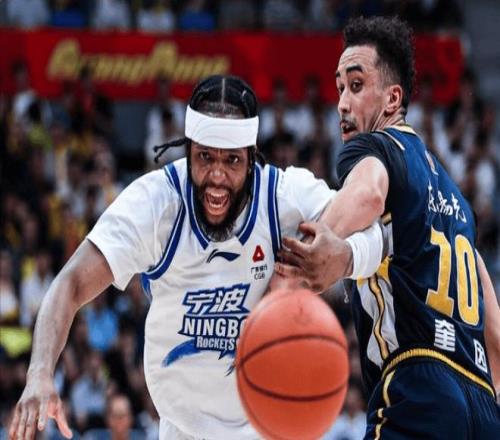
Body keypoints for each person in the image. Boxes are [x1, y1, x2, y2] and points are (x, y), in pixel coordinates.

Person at [9, 75, 384, 440]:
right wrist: (40, 372)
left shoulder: (285, 197)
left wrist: (347, 257)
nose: (217, 175)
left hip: (268, 427)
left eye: (232, 161)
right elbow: (71, 282)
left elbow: (376, 229)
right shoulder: (156, 202)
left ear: (251, 159)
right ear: (187, 150)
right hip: (182, 427)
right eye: (205, 157)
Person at [276, 16, 500, 438]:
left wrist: (297, 266)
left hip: (418, 386)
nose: (342, 103)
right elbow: (495, 335)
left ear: (392, 99)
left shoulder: (376, 145)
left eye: (356, 86)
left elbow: (368, 193)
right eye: (340, 88)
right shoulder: (458, 202)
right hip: (483, 406)